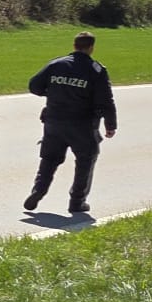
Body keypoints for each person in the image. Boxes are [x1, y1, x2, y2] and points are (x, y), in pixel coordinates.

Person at [24, 30, 117, 216]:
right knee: (86, 160)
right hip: (82, 125)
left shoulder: (56, 64)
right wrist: (111, 125)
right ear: (91, 48)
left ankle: (38, 191)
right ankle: (77, 201)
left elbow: (34, 86)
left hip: (54, 121)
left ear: (74, 46)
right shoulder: (96, 70)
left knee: (49, 159)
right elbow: (106, 100)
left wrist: (54, 93)